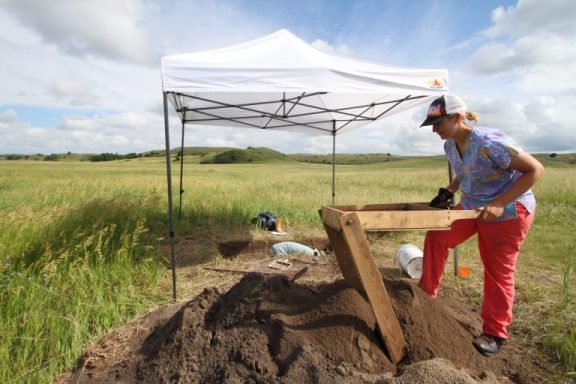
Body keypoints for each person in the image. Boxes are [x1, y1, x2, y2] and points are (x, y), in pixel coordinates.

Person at [418, 95, 544, 357]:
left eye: (438, 122)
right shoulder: (450, 146)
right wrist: (448, 192)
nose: (434, 129)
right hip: (474, 206)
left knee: (496, 269)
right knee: (437, 237)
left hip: (508, 210)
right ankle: (425, 298)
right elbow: (464, 173)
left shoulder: (490, 142)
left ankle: (496, 334)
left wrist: (499, 203)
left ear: (457, 118)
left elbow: (535, 170)